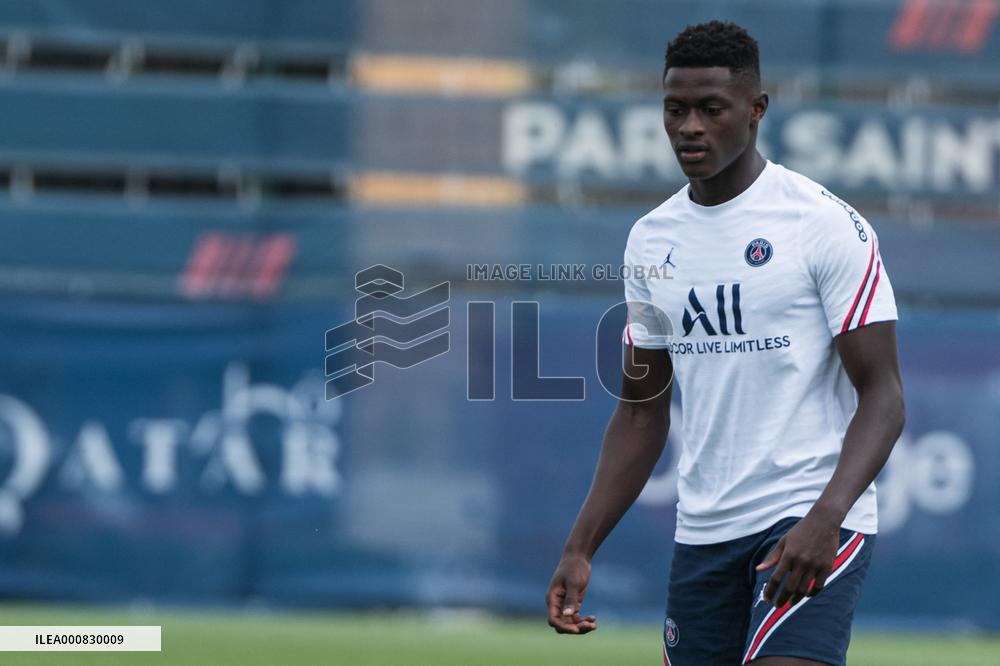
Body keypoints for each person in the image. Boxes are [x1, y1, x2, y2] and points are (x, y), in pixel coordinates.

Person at [545, 20, 906, 666]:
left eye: (711, 109)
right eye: (675, 109)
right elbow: (639, 410)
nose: (690, 127)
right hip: (704, 534)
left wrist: (827, 515)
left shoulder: (820, 225)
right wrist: (580, 545)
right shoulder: (651, 241)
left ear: (756, 109)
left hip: (808, 518)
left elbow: (883, 395)